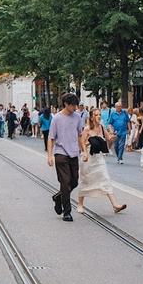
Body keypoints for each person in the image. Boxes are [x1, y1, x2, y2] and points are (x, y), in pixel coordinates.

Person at [76, 108, 125, 215]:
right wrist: (84, 153)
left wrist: (114, 137)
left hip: (98, 158)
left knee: (105, 178)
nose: (99, 116)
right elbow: (82, 142)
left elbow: (109, 139)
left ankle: (115, 205)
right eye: (96, 115)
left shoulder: (102, 128)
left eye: (99, 115)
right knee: (85, 180)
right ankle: (80, 204)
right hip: (88, 157)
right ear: (92, 117)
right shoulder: (87, 129)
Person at [46, 93, 85, 221]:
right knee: (65, 182)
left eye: (76, 105)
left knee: (74, 181)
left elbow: (80, 135)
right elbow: (51, 138)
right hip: (60, 152)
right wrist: (50, 156)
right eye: (73, 105)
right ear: (66, 104)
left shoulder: (78, 117)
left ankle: (58, 197)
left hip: (74, 153)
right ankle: (67, 212)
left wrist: (83, 150)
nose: (75, 107)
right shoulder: (57, 118)